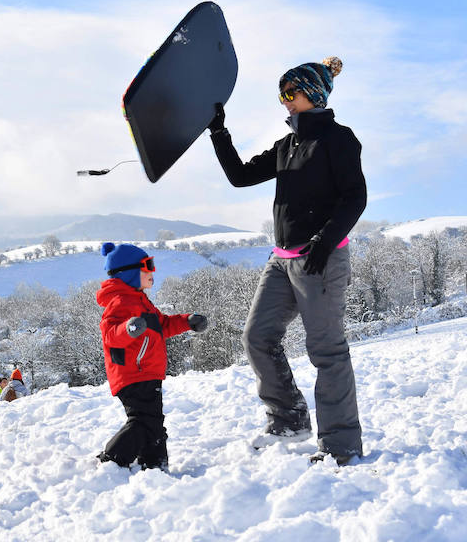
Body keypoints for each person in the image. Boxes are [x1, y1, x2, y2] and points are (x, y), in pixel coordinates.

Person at [207, 56, 365, 465]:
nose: (283, 102)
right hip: (282, 261)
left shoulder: (338, 139)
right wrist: (218, 132)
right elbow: (240, 176)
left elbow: (355, 197)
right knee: (257, 337)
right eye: (281, 94)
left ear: (310, 95)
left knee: (327, 351)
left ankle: (340, 446)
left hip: (321, 261)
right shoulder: (287, 145)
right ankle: (289, 419)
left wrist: (325, 242)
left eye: (288, 94)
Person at [96, 242, 207, 469]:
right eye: (147, 266)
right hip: (132, 374)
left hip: (146, 372)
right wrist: (128, 328)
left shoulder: (140, 300)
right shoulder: (120, 301)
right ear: (128, 272)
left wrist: (186, 322)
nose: (152, 271)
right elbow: (109, 334)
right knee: (142, 421)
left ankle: (154, 463)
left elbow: (162, 325)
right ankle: (111, 460)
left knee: (153, 423)